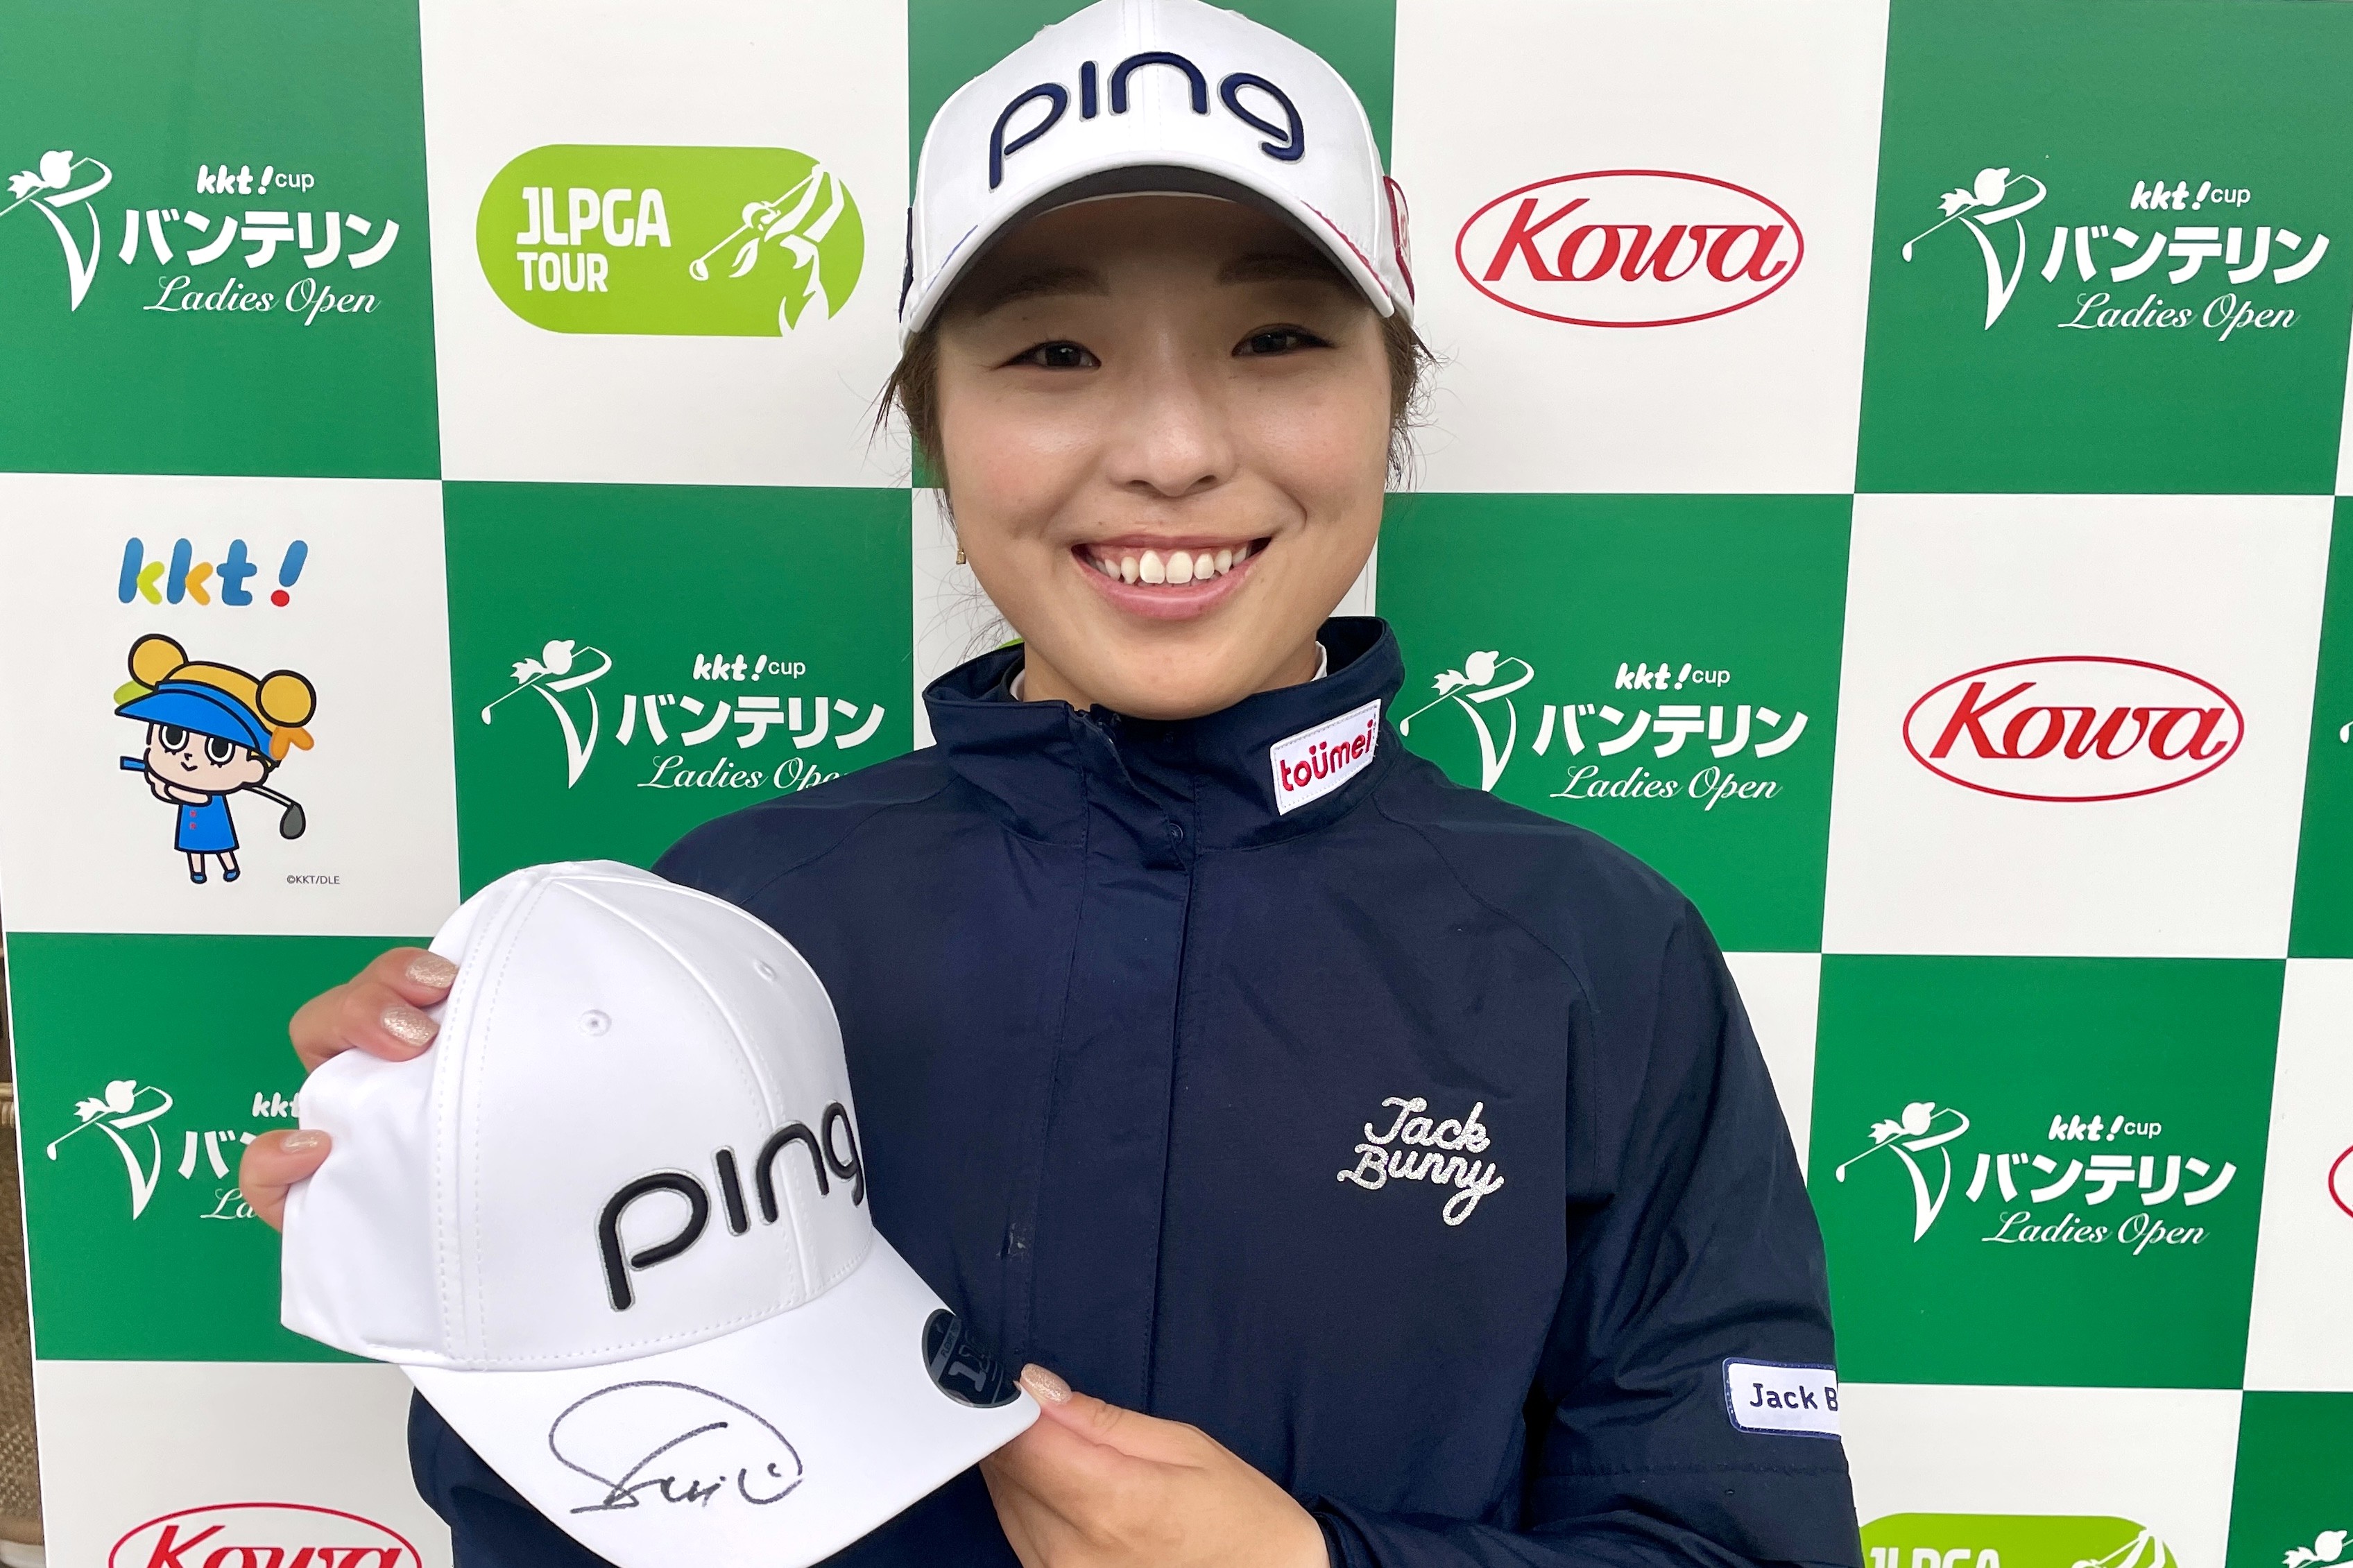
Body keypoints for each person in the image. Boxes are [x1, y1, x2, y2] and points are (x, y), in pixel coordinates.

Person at [241, 3, 1861, 1565]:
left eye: (1276, 340)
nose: (1169, 448)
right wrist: (468, 1232)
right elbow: (567, 1517)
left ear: (1392, 399)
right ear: (935, 430)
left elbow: (1737, 1543)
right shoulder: (724, 929)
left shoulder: (1598, 955)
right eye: (1055, 351)